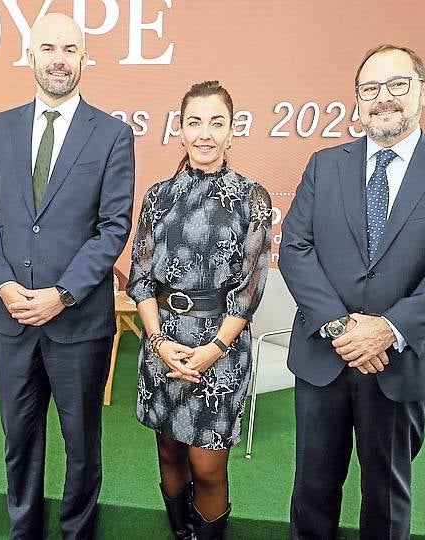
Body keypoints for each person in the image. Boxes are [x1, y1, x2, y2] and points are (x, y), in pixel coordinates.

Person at [280, 44, 425, 539]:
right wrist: (341, 326)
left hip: (402, 361)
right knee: (312, 490)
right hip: (324, 356)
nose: (383, 98)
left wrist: (388, 329)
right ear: (357, 99)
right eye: (370, 89)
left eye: (397, 85)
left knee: (387, 497)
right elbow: (295, 247)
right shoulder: (324, 164)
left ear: (423, 91)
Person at [0, 12, 135, 540]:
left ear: (84, 57)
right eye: (48, 48)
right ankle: (25, 533)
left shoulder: (112, 134)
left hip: (78, 322)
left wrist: (62, 294)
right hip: (12, 319)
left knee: (82, 445)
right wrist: (2, 283)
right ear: (31, 56)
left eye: (69, 48)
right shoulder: (0, 128)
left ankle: (77, 534)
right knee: (19, 442)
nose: (58, 58)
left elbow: (113, 228)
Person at [126, 81, 272, 539]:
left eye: (216, 122)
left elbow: (248, 292)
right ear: (180, 130)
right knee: (169, 452)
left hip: (221, 348)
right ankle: (180, 533)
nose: (205, 133)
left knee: (206, 466)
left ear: (232, 131)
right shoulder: (157, 197)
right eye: (194, 122)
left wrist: (212, 349)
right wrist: (158, 343)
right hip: (161, 341)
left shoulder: (253, 199)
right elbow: (141, 277)